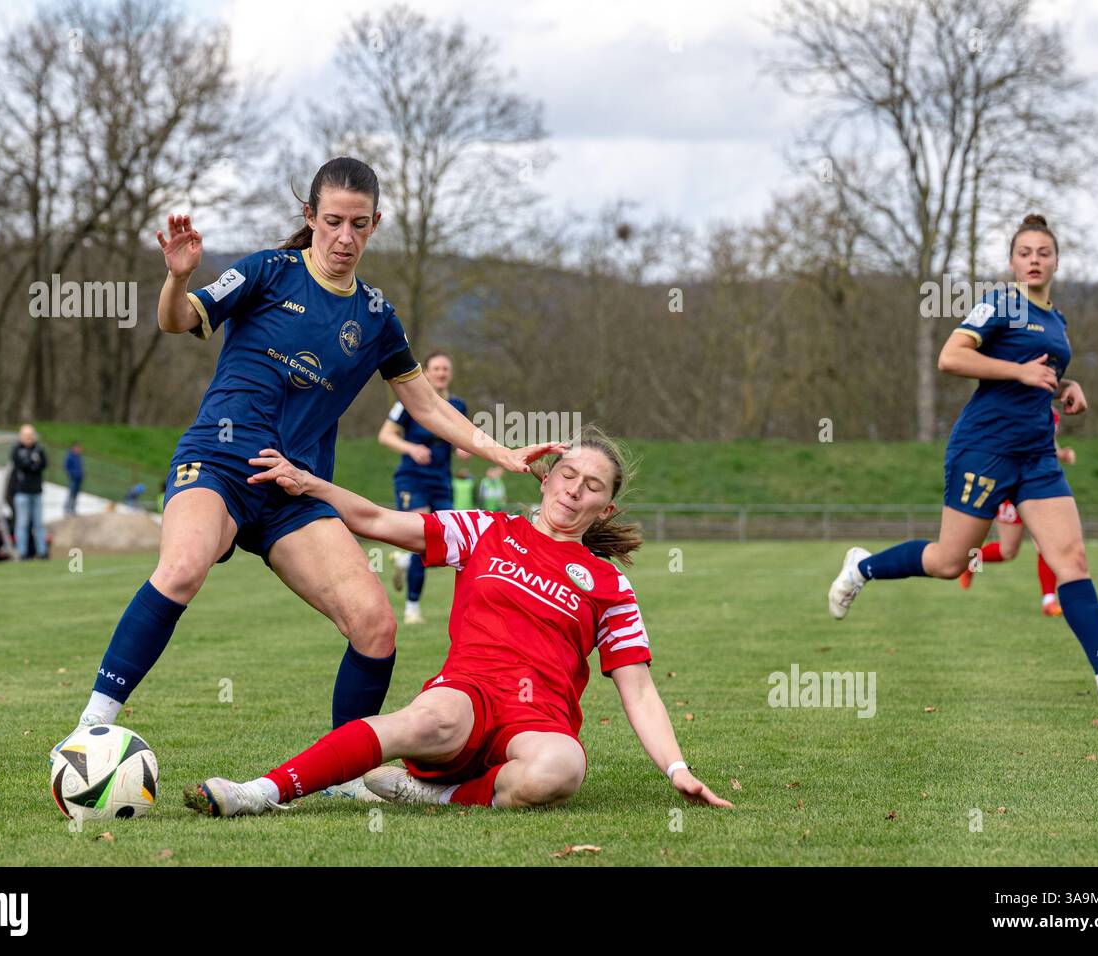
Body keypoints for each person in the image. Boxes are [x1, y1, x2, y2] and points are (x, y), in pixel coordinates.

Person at [53, 158, 562, 783]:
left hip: (294, 488)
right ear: (309, 218)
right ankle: (91, 727)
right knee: (183, 568)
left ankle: (343, 773)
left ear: (376, 225)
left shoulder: (376, 316)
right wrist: (176, 278)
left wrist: (504, 453)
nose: (344, 237)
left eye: (358, 224)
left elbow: (423, 403)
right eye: (332, 222)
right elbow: (178, 319)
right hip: (218, 460)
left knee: (375, 625)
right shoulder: (268, 271)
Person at [185, 428, 733, 816]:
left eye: (593, 486)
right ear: (545, 480)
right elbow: (379, 520)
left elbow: (638, 690)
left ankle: (442, 796)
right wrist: (309, 484)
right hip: (468, 694)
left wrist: (676, 768)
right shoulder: (484, 531)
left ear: (606, 509)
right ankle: (258, 792)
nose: (574, 489)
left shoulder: (610, 586)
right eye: (568, 474)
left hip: (539, 721)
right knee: (425, 720)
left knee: (561, 769)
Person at [827, 214, 1098, 702]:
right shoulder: (1000, 302)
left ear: (1055, 261)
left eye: (1043, 253)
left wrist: (1066, 386)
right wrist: (1018, 372)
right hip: (984, 449)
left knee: (1071, 557)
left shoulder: (1057, 320)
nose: (1034, 260)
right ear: (1012, 261)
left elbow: (1039, 376)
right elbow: (951, 356)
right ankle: (862, 567)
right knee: (948, 561)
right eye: (1025, 253)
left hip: (1037, 457)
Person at [378, 350, 472, 624]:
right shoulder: (408, 402)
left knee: (448, 540)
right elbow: (385, 435)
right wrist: (411, 447)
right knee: (423, 538)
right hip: (412, 478)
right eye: (436, 368)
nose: (441, 373)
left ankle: (405, 561)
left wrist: (462, 449)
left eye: (446, 369)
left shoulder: (458, 405)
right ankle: (412, 608)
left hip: (442, 481)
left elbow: (460, 437)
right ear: (426, 373)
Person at [958, 411, 1073, 615]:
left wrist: (1061, 453)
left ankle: (1048, 600)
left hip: (1037, 485)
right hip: (1008, 484)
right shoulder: (1010, 406)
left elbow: (1048, 443)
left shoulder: (1050, 413)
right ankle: (972, 561)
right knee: (1007, 551)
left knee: (1045, 544)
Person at [10, 424, 48, 559]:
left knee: (38, 524)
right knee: (22, 523)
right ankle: (22, 553)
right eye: (26, 436)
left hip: (36, 491)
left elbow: (42, 465)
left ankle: (42, 552)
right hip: (22, 492)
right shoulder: (16, 450)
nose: (29, 438)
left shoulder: (39, 449)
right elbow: (22, 465)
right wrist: (32, 464)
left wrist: (32, 464)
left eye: (30, 435)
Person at [64, 442, 84, 516]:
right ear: (74, 448)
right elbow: (67, 466)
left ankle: (73, 509)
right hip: (73, 479)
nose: (79, 449)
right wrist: (71, 474)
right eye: (78, 448)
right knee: (71, 494)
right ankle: (68, 509)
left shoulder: (79, 457)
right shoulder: (70, 456)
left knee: (76, 495)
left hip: (79, 479)